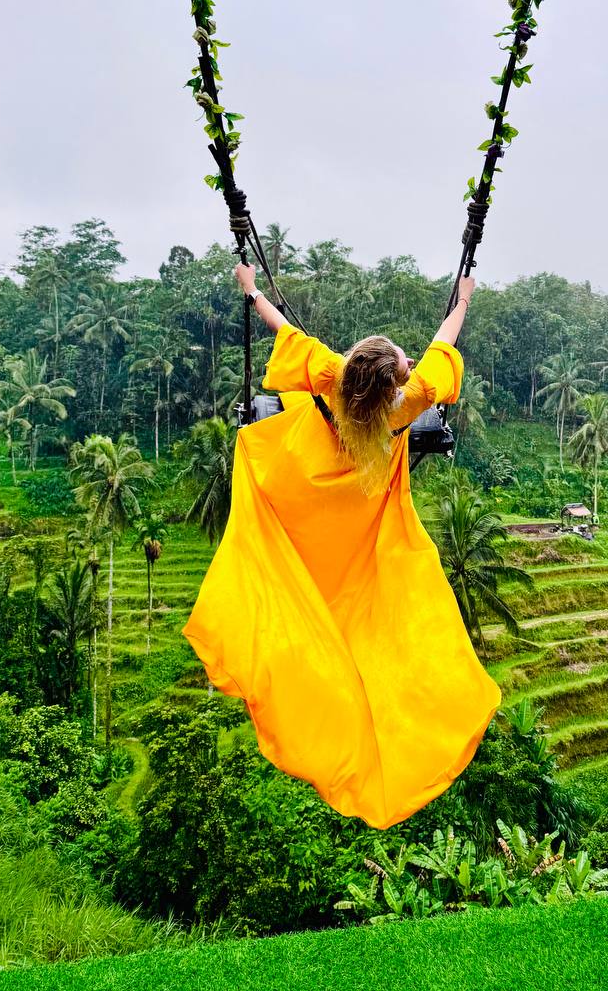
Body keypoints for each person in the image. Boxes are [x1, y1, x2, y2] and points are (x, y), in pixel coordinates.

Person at [181, 264, 500, 829]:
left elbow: (280, 326)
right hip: (363, 503)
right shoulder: (408, 403)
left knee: (290, 561)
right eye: (402, 365)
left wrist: (251, 288)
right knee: (383, 601)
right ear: (394, 385)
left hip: (305, 485)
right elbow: (444, 344)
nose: (407, 369)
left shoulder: (330, 375)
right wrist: (464, 301)